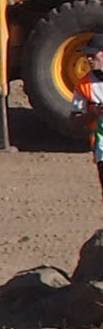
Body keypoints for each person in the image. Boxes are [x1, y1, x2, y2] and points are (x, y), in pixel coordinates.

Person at [71, 34, 103, 203]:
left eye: (93, 55)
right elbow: (75, 121)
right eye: (87, 55)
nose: (88, 59)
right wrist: (93, 113)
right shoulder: (83, 85)